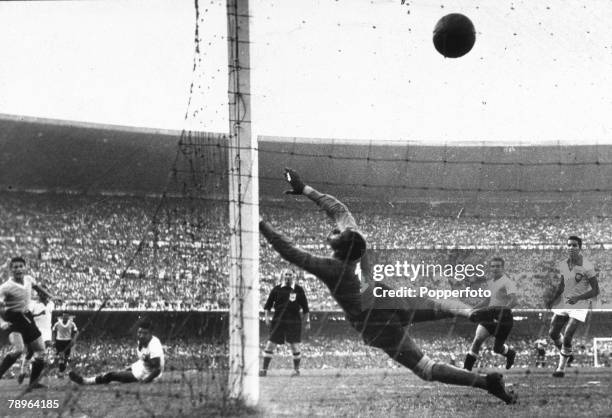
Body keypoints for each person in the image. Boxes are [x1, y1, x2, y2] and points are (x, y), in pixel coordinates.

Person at [258, 168, 517, 404]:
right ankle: (470, 313)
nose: (333, 233)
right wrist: (306, 190)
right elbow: (338, 210)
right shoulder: (358, 242)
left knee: (425, 369)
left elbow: (290, 251)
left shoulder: (333, 269)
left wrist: (259, 223)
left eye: (335, 235)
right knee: (440, 303)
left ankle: (486, 382)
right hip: (391, 298)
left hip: (375, 322)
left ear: (338, 247)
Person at [0, 256, 56, 390]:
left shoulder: (29, 279)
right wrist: (1, 322)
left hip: (28, 318)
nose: (18, 269)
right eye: (15, 267)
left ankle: (33, 383)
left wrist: (51, 296)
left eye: (21, 266)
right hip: (14, 319)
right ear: (11, 269)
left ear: (25, 267)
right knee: (18, 349)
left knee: (41, 351)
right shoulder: (5, 287)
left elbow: (38, 288)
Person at [547, 235, 599, 377]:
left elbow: (596, 290)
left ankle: (560, 369)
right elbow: (562, 284)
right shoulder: (564, 264)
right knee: (552, 333)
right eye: (569, 245)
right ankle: (568, 354)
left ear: (579, 247)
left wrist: (578, 297)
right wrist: (553, 299)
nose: (571, 247)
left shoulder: (587, 266)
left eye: (574, 245)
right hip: (565, 302)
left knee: (568, 335)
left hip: (580, 304)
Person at [69, 319, 164, 385]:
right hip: (142, 366)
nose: (141, 335)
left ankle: (85, 381)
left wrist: (145, 381)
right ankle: (99, 378)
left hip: (147, 374)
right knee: (121, 371)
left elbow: (157, 370)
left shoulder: (154, 345)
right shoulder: (141, 341)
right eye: (139, 332)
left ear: (151, 333)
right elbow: (142, 354)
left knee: (113, 375)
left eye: (144, 333)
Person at [463, 257, 517, 371]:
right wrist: (473, 309)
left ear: (503, 267)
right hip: (489, 316)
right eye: (493, 266)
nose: (495, 268)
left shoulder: (508, 282)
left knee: (497, 349)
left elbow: (514, 301)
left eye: (498, 266)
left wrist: (502, 313)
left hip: (504, 319)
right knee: (477, 340)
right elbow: (487, 300)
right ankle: (466, 370)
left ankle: (510, 353)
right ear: (490, 268)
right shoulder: (491, 282)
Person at [260, 269, 310, 377]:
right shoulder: (276, 289)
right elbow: (267, 306)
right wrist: (267, 318)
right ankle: (264, 369)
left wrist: (307, 322)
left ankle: (296, 370)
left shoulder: (299, 290)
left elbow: (306, 308)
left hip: (293, 321)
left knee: (294, 346)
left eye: (290, 274)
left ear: (294, 276)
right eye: (286, 274)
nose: (288, 276)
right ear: (283, 276)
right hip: (278, 320)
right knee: (270, 345)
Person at [17, 293, 55, 384]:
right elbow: (27, 316)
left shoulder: (51, 304)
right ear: (39, 295)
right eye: (42, 294)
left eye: (45, 294)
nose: (44, 296)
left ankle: (35, 379)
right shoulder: (33, 304)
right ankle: (23, 372)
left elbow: (51, 302)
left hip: (47, 331)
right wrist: (39, 314)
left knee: (41, 355)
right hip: (36, 329)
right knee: (30, 352)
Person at [52, 312, 79, 378]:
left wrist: (74, 339)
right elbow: (53, 331)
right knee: (61, 356)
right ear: (62, 316)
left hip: (68, 341)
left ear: (68, 317)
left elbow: (77, 332)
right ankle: (61, 373)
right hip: (59, 341)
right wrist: (53, 341)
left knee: (66, 357)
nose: (65, 317)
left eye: (66, 316)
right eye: (64, 316)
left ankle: (61, 372)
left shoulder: (72, 323)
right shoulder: (57, 323)